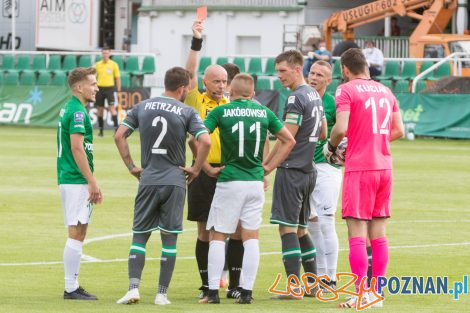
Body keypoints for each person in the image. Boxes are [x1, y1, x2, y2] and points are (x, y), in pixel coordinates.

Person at [114, 67, 211, 305]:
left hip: (148, 178)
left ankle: (133, 288)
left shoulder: (142, 107)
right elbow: (205, 141)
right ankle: (161, 294)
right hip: (175, 181)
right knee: (169, 239)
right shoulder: (187, 110)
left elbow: (119, 136)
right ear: (182, 88)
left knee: (140, 236)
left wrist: (132, 166)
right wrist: (196, 169)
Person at [204, 74, 296, 304]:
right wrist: (268, 168)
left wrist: (204, 167)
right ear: (253, 94)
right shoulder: (264, 112)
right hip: (254, 181)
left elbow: (199, 138)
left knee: (218, 235)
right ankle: (246, 292)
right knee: (251, 236)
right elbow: (289, 140)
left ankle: (213, 292)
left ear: (230, 93)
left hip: (230, 179)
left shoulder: (221, 111)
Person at [323, 48, 404, 308]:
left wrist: (332, 146)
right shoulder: (386, 91)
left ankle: (360, 294)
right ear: (366, 66)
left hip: (360, 167)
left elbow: (341, 128)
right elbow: (399, 130)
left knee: (356, 233)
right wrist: (373, 140)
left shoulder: (346, 89)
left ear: (345, 69)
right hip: (384, 167)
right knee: (379, 234)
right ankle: (376, 294)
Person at [185, 20, 244, 302]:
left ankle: (234, 284)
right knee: (204, 229)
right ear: (205, 83)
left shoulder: (231, 104)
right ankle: (206, 284)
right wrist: (197, 41)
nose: (221, 86)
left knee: (235, 230)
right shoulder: (196, 100)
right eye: (216, 81)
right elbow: (189, 72)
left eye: (224, 81)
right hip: (203, 172)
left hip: (231, 172)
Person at [266, 50, 327, 299]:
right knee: (301, 230)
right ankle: (312, 286)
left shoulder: (295, 98)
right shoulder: (315, 95)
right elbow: (323, 133)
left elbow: (287, 139)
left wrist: (267, 167)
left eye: (283, 70)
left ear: (296, 68)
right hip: (309, 170)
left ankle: (294, 289)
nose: (279, 75)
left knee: (287, 229)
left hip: (291, 171)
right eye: (277, 71)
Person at [57, 67, 102, 300]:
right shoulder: (77, 113)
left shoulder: (71, 108)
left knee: (80, 230)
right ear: (79, 87)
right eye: (93, 84)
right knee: (76, 231)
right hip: (76, 180)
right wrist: (92, 181)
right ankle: (70, 288)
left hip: (72, 178)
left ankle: (72, 285)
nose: (96, 88)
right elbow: (76, 148)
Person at [306, 60, 341, 292]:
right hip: (305, 168)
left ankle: (331, 277)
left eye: (320, 75)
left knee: (327, 222)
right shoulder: (302, 98)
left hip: (327, 168)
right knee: (312, 223)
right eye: (312, 72)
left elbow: (343, 132)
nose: (314, 77)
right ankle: (319, 278)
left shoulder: (333, 103)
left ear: (328, 80)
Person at [94, 47, 121, 136]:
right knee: (100, 110)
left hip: (109, 89)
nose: (105, 54)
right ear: (102, 54)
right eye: (104, 53)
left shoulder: (114, 64)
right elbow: (93, 76)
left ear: (109, 54)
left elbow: (117, 78)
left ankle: (116, 130)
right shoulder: (97, 64)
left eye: (107, 53)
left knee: (112, 109)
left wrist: (119, 90)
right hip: (100, 89)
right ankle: (101, 131)